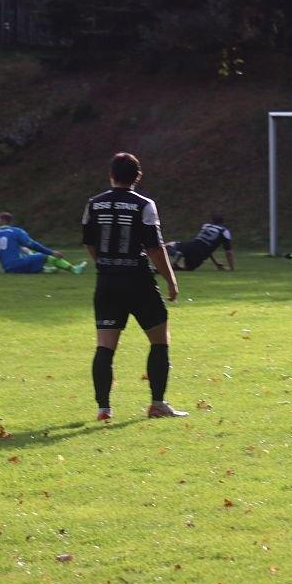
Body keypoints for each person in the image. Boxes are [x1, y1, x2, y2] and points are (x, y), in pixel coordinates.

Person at [82, 152, 188, 420]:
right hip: (139, 282)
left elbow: (89, 243)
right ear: (137, 176)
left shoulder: (94, 204)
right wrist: (171, 280)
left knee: (105, 346)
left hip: (107, 283)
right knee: (159, 341)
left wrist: (106, 265)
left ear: (111, 175)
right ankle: (157, 404)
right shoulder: (144, 205)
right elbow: (155, 248)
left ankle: (104, 409)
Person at [0, 212, 85, 274]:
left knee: (28, 257)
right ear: (10, 221)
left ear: (1, 221)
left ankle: (49, 270)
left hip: (8, 269)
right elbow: (32, 244)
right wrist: (51, 252)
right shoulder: (16, 231)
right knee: (44, 256)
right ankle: (74, 269)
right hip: (19, 264)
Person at [165, 214, 235, 271]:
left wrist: (216, 263)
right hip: (200, 256)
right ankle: (175, 265)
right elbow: (228, 252)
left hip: (191, 246)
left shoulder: (206, 226)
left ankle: (175, 253)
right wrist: (231, 268)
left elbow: (203, 243)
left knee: (168, 245)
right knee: (187, 268)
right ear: (223, 222)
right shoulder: (224, 231)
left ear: (212, 220)